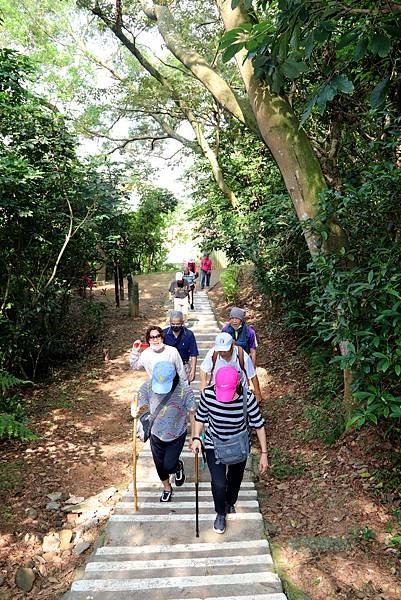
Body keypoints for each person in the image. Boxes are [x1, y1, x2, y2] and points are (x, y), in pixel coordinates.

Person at [192, 365, 268, 533]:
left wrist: (264, 454)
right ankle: (220, 513)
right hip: (214, 444)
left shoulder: (247, 398)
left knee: (235, 479)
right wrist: (197, 437)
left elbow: (259, 426)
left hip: (239, 447)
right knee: (219, 483)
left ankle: (230, 502)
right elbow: (200, 417)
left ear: (238, 385)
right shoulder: (209, 395)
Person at [133, 362, 196, 502]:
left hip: (177, 433)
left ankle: (178, 466)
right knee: (159, 465)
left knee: (169, 464)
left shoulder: (184, 390)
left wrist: (194, 436)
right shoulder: (148, 386)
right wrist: (135, 408)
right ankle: (167, 487)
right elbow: (138, 401)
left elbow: (192, 412)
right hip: (155, 433)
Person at [199, 332, 262, 403]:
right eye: (220, 351)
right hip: (219, 392)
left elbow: (252, 375)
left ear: (232, 345)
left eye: (225, 351)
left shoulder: (242, 355)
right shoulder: (213, 354)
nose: (222, 353)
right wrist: (203, 383)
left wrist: (258, 394)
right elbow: (203, 369)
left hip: (239, 393)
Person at [163, 311, 199, 383]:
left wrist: (193, 370)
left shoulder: (189, 334)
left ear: (182, 322)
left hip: (184, 366)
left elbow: (193, 353)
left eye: (178, 324)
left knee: (183, 391)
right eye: (173, 324)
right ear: (170, 322)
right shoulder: (164, 333)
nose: (175, 326)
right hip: (168, 366)